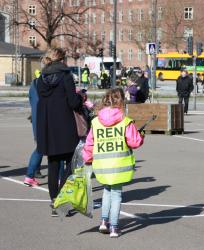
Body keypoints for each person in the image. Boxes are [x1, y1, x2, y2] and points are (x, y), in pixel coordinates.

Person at [82, 88, 144, 238]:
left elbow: (89, 143)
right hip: (119, 165)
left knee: (106, 191)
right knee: (116, 194)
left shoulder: (96, 122)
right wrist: (141, 135)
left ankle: (104, 222)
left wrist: (88, 159)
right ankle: (114, 227)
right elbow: (134, 142)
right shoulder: (125, 121)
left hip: (102, 165)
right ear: (121, 101)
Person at [36, 48, 83, 217]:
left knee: (53, 165)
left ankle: (54, 200)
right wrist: (81, 98)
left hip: (47, 125)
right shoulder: (65, 76)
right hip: (64, 125)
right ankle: (60, 201)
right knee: (70, 164)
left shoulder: (41, 78)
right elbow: (72, 102)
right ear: (62, 59)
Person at [23, 70, 45, 186]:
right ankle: (61, 179)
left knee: (40, 148)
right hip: (46, 120)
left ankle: (30, 175)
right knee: (58, 153)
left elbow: (33, 102)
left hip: (37, 120)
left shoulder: (34, 84)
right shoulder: (46, 83)